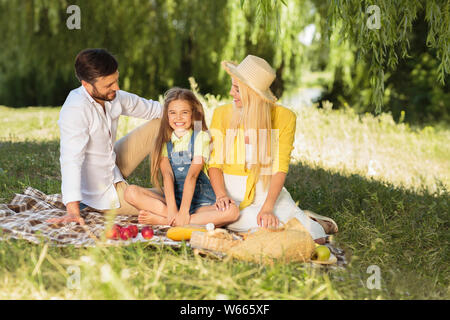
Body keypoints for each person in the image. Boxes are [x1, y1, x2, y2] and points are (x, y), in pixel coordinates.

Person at [208, 55, 338, 243]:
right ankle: (301, 219)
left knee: (316, 238)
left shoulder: (285, 118)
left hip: (267, 195)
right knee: (274, 233)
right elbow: (214, 165)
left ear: (252, 92)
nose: (230, 93)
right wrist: (220, 196)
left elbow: (280, 167)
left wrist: (268, 207)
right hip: (232, 199)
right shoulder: (221, 114)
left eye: (236, 89)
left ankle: (312, 221)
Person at [47, 48, 162, 226]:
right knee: (166, 203)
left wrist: (195, 120)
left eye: (116, 80)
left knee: (165, 121)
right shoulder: (75, 110)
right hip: (99, 192)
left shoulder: (113, 96)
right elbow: (71, 160)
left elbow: (155, 109)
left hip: (112, 161)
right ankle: (187, 195)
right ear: (86, 85)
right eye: (108, 85)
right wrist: (72, 211)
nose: (116, 87)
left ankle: (185, 176)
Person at [124, 88, 239, 227]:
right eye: (172, 113)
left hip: (200, 201)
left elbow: (192, 175)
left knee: (232, 212)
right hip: (173, 198)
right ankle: (178, 218)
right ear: (167, 116)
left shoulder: (200, 138)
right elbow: (167, 176)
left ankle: (165, 220)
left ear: (193, 114)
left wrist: (184, 211)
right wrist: (172, 208)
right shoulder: (164, 142)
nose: (178, 118)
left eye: (184, 113)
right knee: (130, 193)